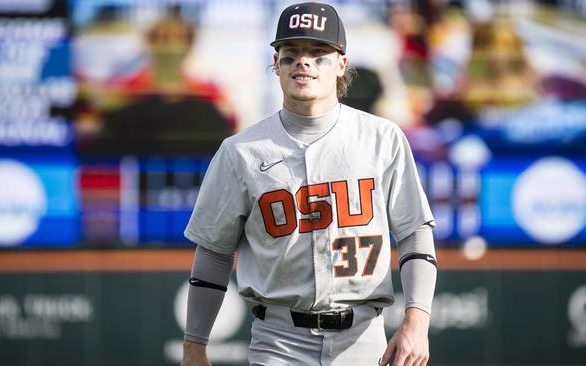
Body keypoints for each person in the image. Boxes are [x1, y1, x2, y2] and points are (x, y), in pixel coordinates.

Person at [181, 3, 437, 366]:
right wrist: (195, 346)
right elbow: (214, 252)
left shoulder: (382, 138)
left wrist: (417, 320)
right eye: (292, 54)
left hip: (364, 339)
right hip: (279, 341)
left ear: (341, 65)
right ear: (276, 63)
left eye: (318, 53)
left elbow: (414, 232)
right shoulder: (240, 152)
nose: (304, 62)